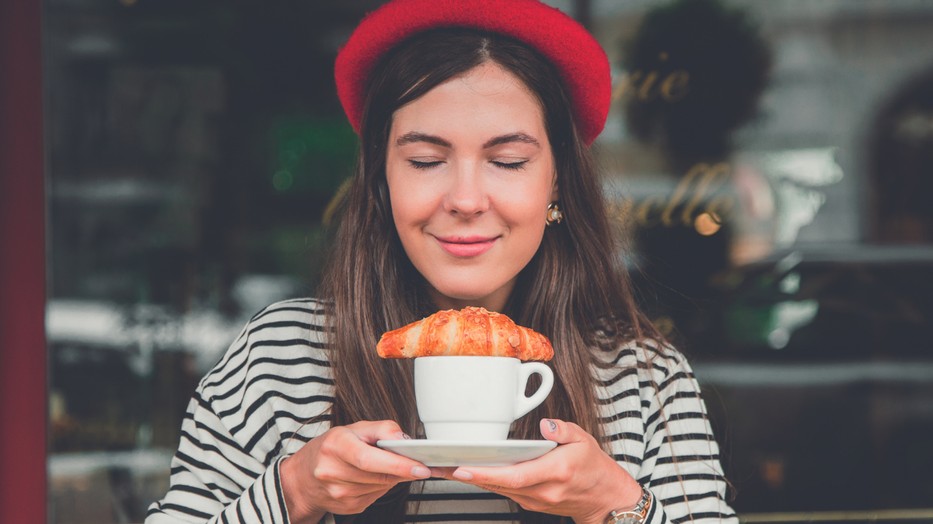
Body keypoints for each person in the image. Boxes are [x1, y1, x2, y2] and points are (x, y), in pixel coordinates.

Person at [146, 1, 737, 523]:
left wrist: (613, 503)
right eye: (426, 160)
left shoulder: (642, 379)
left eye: (507, 161)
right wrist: (294, 491)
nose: (465, 200)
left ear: (556, 182)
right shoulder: (281, 358)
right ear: (382, 179)